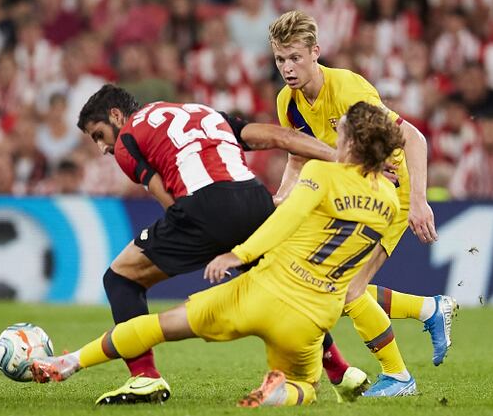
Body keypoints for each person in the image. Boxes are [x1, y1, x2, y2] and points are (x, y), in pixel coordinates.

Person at [30, 101, 405, 407]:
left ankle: (144, 377)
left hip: (202, 207)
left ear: (116, 115)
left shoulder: (129, 137)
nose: (102, 147)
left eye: (99, 135)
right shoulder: (203, 112)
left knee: (121, 277)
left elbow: (164, 195)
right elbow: (281, 137)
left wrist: (197, 230)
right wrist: (353, 163)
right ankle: (342, 371)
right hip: (253, 198)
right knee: (289, 293)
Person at [268, 10, 457, 396]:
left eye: (295, 58)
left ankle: (399, 377)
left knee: (348, 289)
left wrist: (418, 201)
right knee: (332, 286)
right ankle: (428, 310)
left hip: (392, 192)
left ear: (315, 52)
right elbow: (297, 155)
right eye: (280, 59)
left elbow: (414, 138)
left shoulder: (350, 92)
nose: (287, 68)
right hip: (355, 195)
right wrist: (282, 197)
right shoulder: (288, 101)